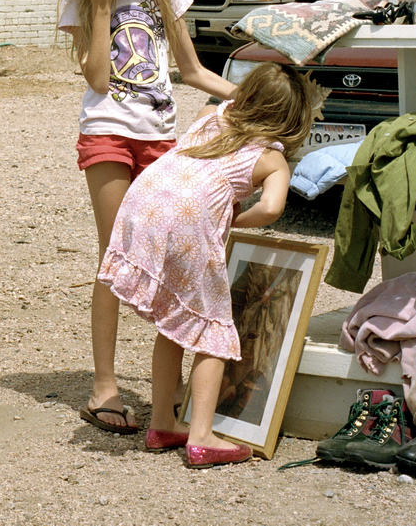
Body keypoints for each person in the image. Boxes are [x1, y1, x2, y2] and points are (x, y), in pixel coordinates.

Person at [58, 0, 236, 435]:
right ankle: (104, 386)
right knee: (115, 258)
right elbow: (96, 80)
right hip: (108, 135)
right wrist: (104, 0)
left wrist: (255, 100)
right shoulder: (80, 1)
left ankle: (177, 392)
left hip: (162, 139)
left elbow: (192, 70)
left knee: (187, 257)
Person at [98, 62, 324, 466]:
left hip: (142, 205)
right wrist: (236, 219)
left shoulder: (211, 115)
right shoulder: (271, 158)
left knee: (174, 322)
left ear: (247, 95)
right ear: (293, 120)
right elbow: (271, 208)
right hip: (187, 224)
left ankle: (164, 421)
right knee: (211, 332)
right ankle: (201, 436)